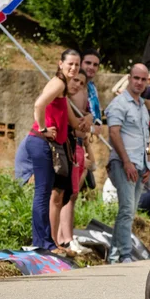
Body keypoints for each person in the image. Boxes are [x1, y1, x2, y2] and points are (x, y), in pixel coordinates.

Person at [26, 49, 89, 255]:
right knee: (43, 193)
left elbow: (75, 125)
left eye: (77, 65)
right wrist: (43, 128)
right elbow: (38, 104)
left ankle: (46, 241)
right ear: (60, 63)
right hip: (40, 142)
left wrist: (88, 119)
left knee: (45, 193)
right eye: (70, 64)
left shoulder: (62, 90)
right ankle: (43, 242)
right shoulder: (59, 83)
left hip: (46, 144)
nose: (74, 68)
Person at [104, 64, 150, 264]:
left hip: (140, 165)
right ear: (129, 78)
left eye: (143, 79)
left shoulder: (142, 106)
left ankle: (114, 256)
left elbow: (144, 138)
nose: (139, 82)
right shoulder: (119, 103)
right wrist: (126, 162)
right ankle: (124, 254)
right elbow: (113, 133)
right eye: (136, 78)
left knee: (129, 212)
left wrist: (146, 165)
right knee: (126, 210)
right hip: (124, 164)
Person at [56, 69, 93, 254]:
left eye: (81, 82)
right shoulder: (59, 93)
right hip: (64, 147)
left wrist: (89, 118)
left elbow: (85, 126)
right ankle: (62, 239)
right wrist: (84, 123)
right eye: (75, 80)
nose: (77, 84)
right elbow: (77, 127)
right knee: (63, 195)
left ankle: (66, 238)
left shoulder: (82, 95)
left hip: (76, 147)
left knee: (72, 194)